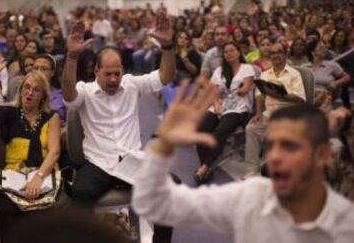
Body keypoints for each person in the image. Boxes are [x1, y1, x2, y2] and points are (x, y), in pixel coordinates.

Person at [132, 78, 354, 243]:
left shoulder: (345, 224)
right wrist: (163, 146)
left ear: (322, 155)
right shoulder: (252, 195)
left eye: (289, 146)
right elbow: (155, 205)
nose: (274, 157)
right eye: (271, 145)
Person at [61, 14, 175, 242]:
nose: (114, 79)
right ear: (96, 72)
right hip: (98, 164)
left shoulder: (131, 84)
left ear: (123, 70)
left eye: (117, 73)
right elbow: (68, 94)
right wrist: (72, 56)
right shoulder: (85, 90)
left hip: (132, 160)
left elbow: (165, 76)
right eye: (108, 74)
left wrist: (167, 47)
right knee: (81, 195)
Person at [0, 52, 63, 242]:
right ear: (21, 90)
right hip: (14, 176)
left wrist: (38, 178)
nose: (29, 93)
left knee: (42, 215)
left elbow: (54, 151)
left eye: (36, 90)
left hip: (44, 174)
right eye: (26, 88)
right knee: (7, 211)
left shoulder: (52, 117)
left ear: (43, 96)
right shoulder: (9, 113)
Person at [194, 42, 255, 183]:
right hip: (219, 106)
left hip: (238, 108)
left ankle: (205, 167)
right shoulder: (219, 70)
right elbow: (213, 91)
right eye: (226, 51)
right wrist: (216, 105)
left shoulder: (247, 69)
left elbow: (245, 89)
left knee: (221, 131)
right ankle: (205, 165)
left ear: (239, 52)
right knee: (201, 129)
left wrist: (233, 90)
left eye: (232, 50)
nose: (228, 53)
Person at [244, 43, 306, 177]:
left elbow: (301, 99)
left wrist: (282, 96)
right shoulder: (265, 74)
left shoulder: (294, 74)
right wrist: (259, 113)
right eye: (272, 53)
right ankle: (252, 171)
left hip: (289, 114)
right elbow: (259, 95)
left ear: (285, 54)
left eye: (279, 52)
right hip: (269, 114)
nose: (275, 56)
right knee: (251, 128)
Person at [302, 39, 350, 110]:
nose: (324, 50)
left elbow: (347, 77)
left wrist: (336, 83)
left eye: (325, 48)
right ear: (312, 52)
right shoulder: (304, 67)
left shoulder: (331, 65)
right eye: (321, 48)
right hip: (309, 99)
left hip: (326, 100)